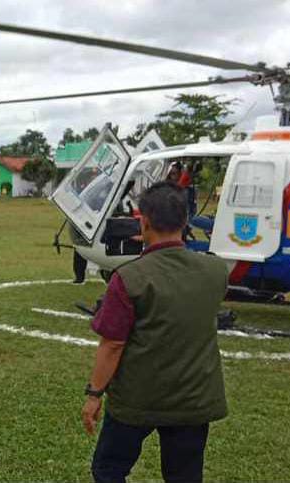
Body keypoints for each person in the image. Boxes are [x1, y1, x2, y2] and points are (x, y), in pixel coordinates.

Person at [81, 181, 228, 482]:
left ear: (143, 221)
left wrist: (94, 394)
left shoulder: (130, 277)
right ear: (185, 221)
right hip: (193, 398)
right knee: (184, 476)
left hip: (137, 398)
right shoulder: (215, 271)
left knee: (108, 470)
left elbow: (112, 345)